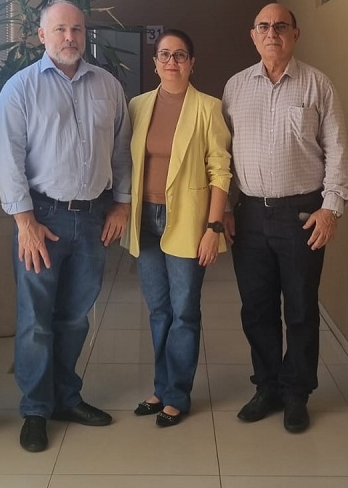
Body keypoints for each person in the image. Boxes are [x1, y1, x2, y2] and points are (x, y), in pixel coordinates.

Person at [0, 0, 132, 452]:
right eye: (60, 29)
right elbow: (8, 158)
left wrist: (121, 205)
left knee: (74, 316)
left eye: (77, 29)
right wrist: (24, 221)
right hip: (42, 219)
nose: (70, 37)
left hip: (92, 218)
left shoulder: (108, 86)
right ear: (41, 35)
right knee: (36, 319)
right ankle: (36, 409)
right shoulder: (20, 89)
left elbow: (122, 153)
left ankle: (66, 398)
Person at [222, 3, 348, 433]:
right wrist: (224, 208)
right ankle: (268, 387)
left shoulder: (318, 85)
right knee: (256, 308)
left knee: (300, 307)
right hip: (249, 216)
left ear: (295, 34)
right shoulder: (235, 88)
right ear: (252, 35)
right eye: (263, 26)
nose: (272, 32)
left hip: (302, 216)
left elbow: (337, 150)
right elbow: (220, 156)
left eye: (280, 26)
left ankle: (296, 393)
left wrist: (330, 208)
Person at [124, 29, 232, 427]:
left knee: (184, 311)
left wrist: (213, 227)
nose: (172, 61)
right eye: (165, 54)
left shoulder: (208, 107)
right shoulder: (138, 106)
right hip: (145, 220)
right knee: (158, 310)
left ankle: (177, 395)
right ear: (155, 63)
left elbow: (220, 171)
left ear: (192, 63)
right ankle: (161, 387)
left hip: (187, 221)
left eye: (180, 55)